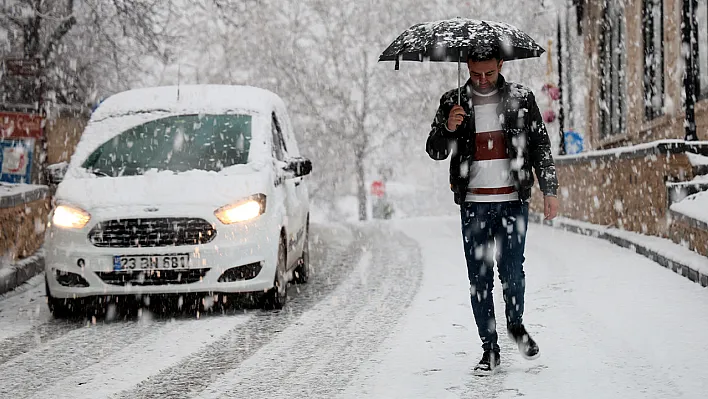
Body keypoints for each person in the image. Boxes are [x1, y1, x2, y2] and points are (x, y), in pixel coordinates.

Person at [426, 45, 559, 376]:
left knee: (513, 273)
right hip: (473, 205)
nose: (482, 80)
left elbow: (540, 144)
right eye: (475, 74)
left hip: (513, 201)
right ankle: (490, 349)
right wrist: (449, 128)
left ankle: (515, 325)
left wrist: (550, 188)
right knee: (479, 279)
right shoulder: (452, 102)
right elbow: (434, 150)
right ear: (467, 67)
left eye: (489, 73)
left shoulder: (521, 98)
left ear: (501, 64)